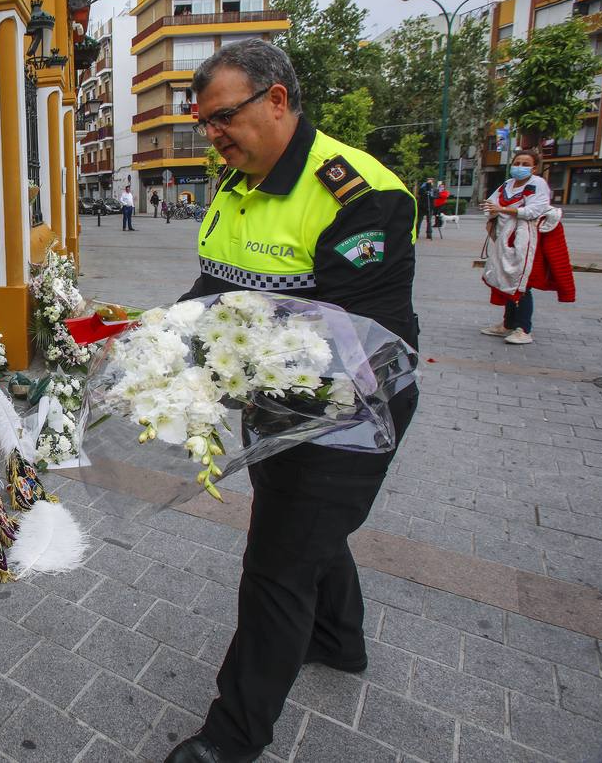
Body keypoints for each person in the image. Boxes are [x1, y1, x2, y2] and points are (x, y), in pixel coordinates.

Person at [165, 39, 418, 763]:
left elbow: (362, 340)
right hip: (275, 406)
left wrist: (222, 361)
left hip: (351, 413)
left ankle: (230, 738)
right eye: (203, 123)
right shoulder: (235, 183)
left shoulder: (359, 193)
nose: (213, 135)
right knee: (306, 532)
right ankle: (338, 640)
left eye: (224, 117)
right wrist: (165, 337)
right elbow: (214, 288)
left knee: (278, 563)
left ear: (277, 99)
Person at [479, 149, 575, 345]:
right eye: (517, 162)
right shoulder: (508, 185)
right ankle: (508, 324)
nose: (520, 167)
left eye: (525, 164)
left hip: (528, 238)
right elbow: (492, 203)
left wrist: (503, 210)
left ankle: (523, 328)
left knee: (522, 282)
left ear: (534, 167)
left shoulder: (537, 184)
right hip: (507, 235)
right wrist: (492, 215)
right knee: (506, 277)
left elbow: (534, 210)